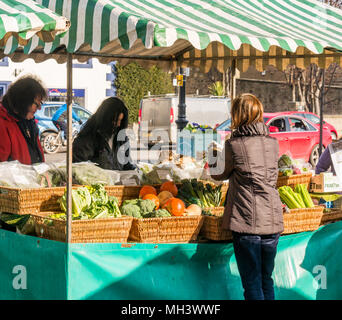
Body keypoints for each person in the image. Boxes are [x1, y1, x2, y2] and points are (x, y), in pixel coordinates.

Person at [208, 93, 284, 300]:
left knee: (251, 284)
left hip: (247, 223)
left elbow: (218, 174)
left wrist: (211, 153)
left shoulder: (234, 145)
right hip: (272, 223)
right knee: (265, 280)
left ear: (237, 115)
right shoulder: (273, 143)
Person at [72, 97, 136, 171]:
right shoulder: (86, 140)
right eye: (115, 120)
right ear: (105, 118)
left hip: (119, 182)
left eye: (121, 121)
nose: (118, 124)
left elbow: (126, 164)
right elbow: (78, 169)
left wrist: (135, 171)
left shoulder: (122, 138)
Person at [0, 75, 47, 165]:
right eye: (36, 104)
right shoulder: (3, 123)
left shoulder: (28, 121)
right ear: (23, 101)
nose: (40, 108)